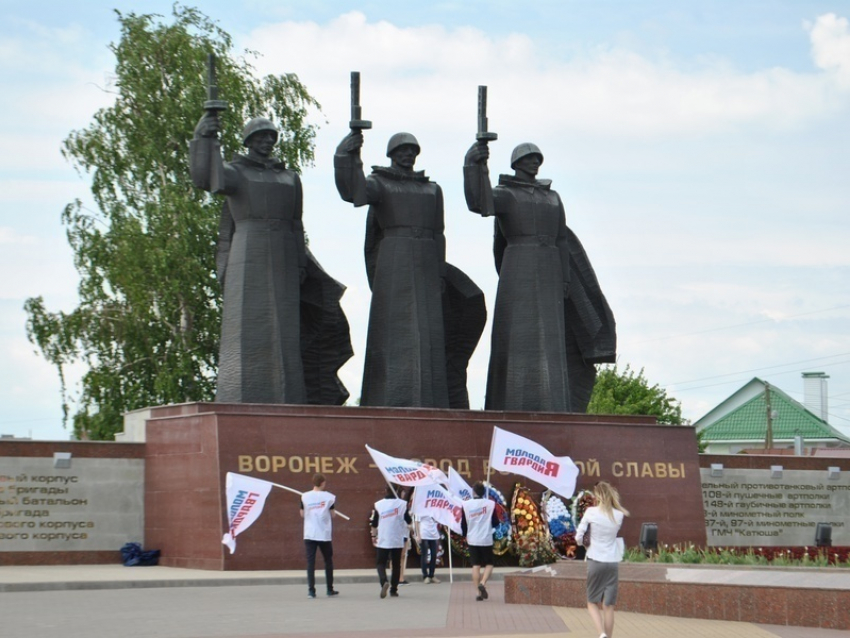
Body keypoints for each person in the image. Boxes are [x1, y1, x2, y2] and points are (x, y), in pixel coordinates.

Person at [463, 141, 616, 413]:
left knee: (550, 336)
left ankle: (552, 401)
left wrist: (565, 278)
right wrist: (474, 165)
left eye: (537, 158)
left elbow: (560, 239)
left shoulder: (552, 197)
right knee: (517, 332)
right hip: (518, 266)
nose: (535, 162)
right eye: (529, 158)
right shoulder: (506, 194)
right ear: (516, 163)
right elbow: (480, 203)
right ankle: (509, 401)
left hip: (549, 270)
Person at [190, 113, 307, 404]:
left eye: (271, 136)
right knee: (245, 326)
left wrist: (301, 262)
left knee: (286, 329)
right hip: (248, 250)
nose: (267, 141)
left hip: (284, 253)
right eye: (261, 136)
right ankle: (239, 397)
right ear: (249, 141)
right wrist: (204, 138)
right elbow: (205, 178)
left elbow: (296, 223)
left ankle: (290, 397)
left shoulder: (289, 177)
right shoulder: (235, 172)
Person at [335, 130, 450, 408]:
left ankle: (432, 402)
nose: (408, 154)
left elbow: (438, 232)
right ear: (391, 154)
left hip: (425, 258)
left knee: (428, 331)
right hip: (394, 258)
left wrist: (440, 269)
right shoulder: (380, 183)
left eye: (412, 150)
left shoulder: (432, 189)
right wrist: (346, 156)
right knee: (392, 327)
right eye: (402, 150)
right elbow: (353, 192)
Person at [575, 481, 629, 638]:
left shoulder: (591, 512)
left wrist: (584, 543)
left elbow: (578, 537)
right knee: (609, 606)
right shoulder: (618, 515)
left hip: (595, 559)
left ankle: (601, 634)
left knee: (592, 602)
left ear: (597, 496)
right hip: (612, 562)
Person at [300, 473, 339, 598]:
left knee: (310, 562)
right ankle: (329, 589)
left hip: (310, 533)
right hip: (324, 534)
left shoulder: (304, 497)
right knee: (328, 561)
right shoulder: (329, 497)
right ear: (322, 483)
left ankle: (311, 591)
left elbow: (302, 514)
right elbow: (332, 514)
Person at [370, 486, 412, 598]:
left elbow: (374, 523)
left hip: (383, 538)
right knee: (396, 564)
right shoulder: (402, 504)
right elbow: (408, 520)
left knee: (380, 563)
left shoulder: (379, 504)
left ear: (385, 490)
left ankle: (384, 581)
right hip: (397, 538)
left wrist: (373, 535)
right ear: (397, 491)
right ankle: (394, 589)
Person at [461, 481, 499, 601]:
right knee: (489, 564)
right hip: (486, 538)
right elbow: (495, 522)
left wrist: (465, 534)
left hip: (472, 538)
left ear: (474, 492)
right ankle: (483, 582)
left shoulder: (466, 505)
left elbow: (463, 524)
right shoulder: (490, 504)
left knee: (475, 565)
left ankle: (478, 592)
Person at [415, 513, 441, 584]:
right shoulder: (420, 508)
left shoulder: (433, 508)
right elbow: (417, 521)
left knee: (434, 554)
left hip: (433, 534)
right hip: (424, 534)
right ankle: (425, 576)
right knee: (425, 555)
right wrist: (418, 535)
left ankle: (431, 575)